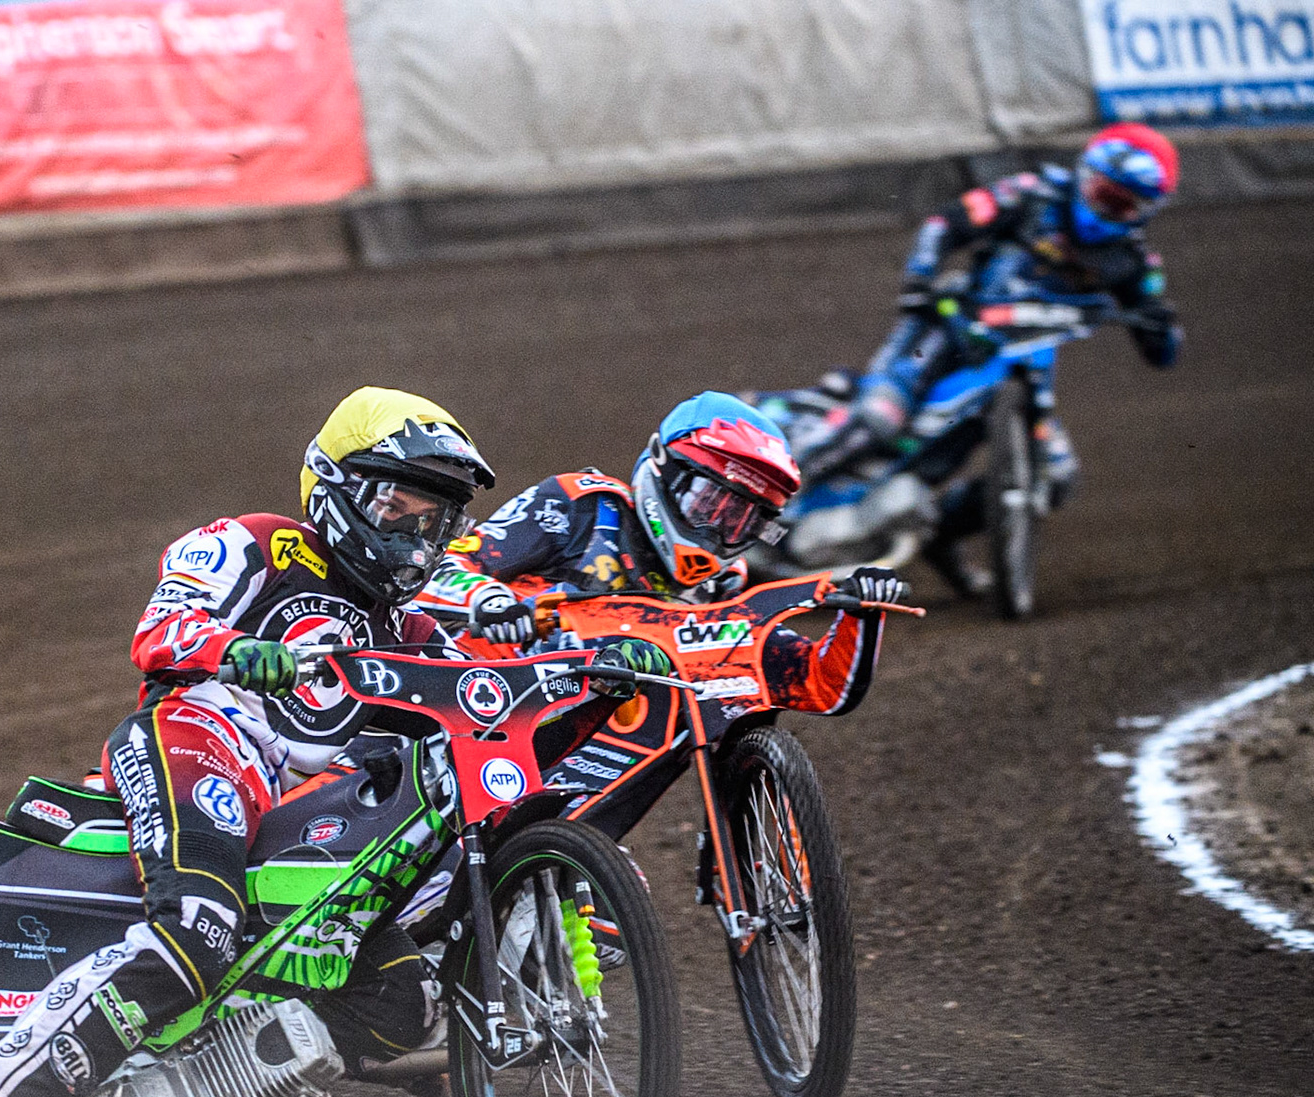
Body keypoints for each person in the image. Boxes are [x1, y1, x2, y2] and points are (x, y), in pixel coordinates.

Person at [0, 387, 672, 1097]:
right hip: (195, 740)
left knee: (399, 997)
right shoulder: (256, 544)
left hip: (293, 817)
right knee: (196, 929)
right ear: (336, 487)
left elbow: (481, 691)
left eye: (436, 519)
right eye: (398, 506)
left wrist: (587, 663)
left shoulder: (409, 622)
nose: (416, 535)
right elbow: (162, 628)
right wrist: (241, 652)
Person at [829, 123, 1184, 595]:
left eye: (1122, 205)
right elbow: (945, 223)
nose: (1105, 212)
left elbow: (1162, 346)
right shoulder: (1033, 194)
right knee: (880, 419)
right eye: (1103, 194)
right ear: (1085, 177)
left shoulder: (1133, 263)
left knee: (1055, 477)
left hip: (1023, 368)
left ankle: (939, 532)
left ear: (1144, 211)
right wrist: (919, 279)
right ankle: (769, 509)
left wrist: (1161, 331)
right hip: (946, 330)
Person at [419, 390, 906, 717]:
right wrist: (490, 603)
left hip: (593, 756)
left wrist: (861, 615)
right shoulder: (580, 504)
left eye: (744, 520)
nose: (720, 530)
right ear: (663, 467)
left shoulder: (723, 583)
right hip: (480, 707)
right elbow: (443, 564)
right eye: (711, 503)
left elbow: (816, 683)